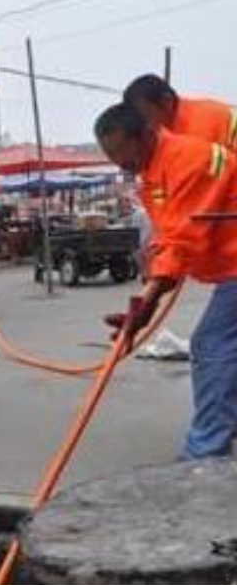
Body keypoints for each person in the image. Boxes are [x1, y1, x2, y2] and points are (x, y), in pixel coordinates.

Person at [95, 102, 237, 460]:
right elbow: (170, 237)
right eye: (111, 157)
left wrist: (148, 303)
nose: (121, 164)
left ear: (146, 135)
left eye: (123, 153)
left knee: (211, 344)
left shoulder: (189, 161)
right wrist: (148, 294)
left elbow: (183, 241)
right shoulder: (154, 172)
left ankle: (205, 453)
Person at [123, 74, 237, 150]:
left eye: (146, 114)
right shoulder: (167, 131)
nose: (145, 123)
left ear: (166, 101)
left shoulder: (199, 124)